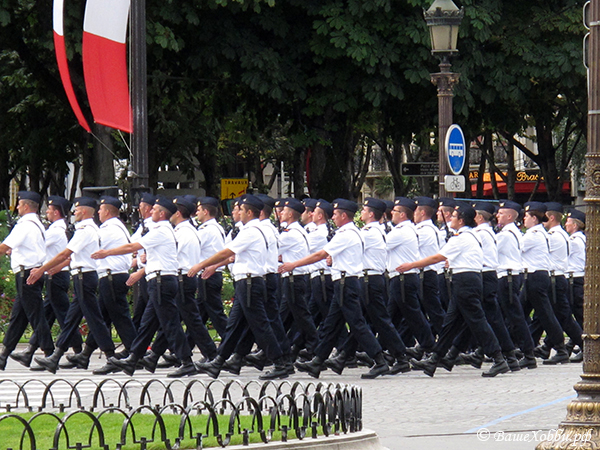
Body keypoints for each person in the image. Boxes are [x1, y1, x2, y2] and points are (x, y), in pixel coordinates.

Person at [279, 199, 390, 379]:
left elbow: (321, 254)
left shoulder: (346, 233)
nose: (334, 218)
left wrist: (295, 264)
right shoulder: (351, 232)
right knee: (331, 324)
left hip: (347, 283)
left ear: (344, 216)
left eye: (336, 215)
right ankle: (317, 362)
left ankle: (380, 361)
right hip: (343, 282)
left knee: (357, 323)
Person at [91, 196, 197, 378]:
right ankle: (135, 359)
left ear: (162, 213)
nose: (151, 212)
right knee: (147, 324)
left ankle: (186, 361)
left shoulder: (161, 230)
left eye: (155, 209)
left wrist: (107, 252)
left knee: (170, 323)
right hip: (159, 281)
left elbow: (134, 246)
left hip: (162, 280)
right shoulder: (162, 229)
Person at [400, 204, 509, 378]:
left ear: (461, 220)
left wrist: (411, 265)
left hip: (465, 281)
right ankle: (435, 359)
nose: (450, 219)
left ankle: (498, 358)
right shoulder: (470, 236)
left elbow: (438, 257)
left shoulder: (461, 237)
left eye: (454, 216)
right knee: (450, 324)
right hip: (465, 280)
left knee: (477, 321)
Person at [189, 195, 289, 380]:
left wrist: (200, 265)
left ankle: (279, 362)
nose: (237, 212)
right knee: (235, 325)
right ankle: (220, 361)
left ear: (249, 212)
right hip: (248, 282)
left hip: (250, 282)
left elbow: (227, 252)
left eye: (241, 210)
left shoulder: (250, 231)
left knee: (260, 325)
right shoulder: (253, 230)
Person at [28, 197, 116, 373]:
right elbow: (70, 257)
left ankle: (111, 356)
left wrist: (41, 269)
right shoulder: (88, 229)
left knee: (95, 319)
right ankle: (57, 356)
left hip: (85, 276)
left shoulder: (85, 229)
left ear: (83, 211)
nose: (74, 213)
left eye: (76, 211)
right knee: (70, 320)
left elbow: (65, 254)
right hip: (81, 276)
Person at [325, 197, 410, 375]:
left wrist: (333, 256)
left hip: (369, 280)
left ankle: (400, 357)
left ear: (371, 214)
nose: (361, 213)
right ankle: (343, 356)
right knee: (361, 321)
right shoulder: (372, 231)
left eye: (364, 210)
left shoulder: (368, 232)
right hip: (368, 279)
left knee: (377, 320)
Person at [139, 196, 218, 372]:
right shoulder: (183, 231)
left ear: (179, 213)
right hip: (181, 278)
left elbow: (172, 255)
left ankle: (211, 354)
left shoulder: (184, 233)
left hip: (183, 277)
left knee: (187, 319)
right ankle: (154, 355)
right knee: (170, 318)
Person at [10, 195, 82, 369]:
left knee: (65, 316)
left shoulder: (56, 231)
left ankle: (79, 352)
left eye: (49, 210)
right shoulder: (56, 228)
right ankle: (32, 351)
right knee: (45, 315)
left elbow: (38, 245)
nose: (47, 213)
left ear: (56, 212)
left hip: (56, 275)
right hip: (53, 274)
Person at [74, 196, 138, 374]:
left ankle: (135, 354)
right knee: (102, 317)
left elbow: (91, 249)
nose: (98, 213)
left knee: (120, 317)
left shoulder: (109, 229)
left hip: (111, 277)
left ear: (108, 212)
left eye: (101, 210)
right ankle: (86, 354)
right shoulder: (118, 228)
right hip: (111, 276)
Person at [0, 191, 54, 370]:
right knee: (18, 317)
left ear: (26, 206)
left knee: (36, 316)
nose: (17, 208)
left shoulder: (25, 225)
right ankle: (4, 355)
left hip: (27, 274)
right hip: (30, 272)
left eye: (19, 204)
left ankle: (49, 354)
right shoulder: (36, 224)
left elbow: (5, 246)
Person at [519, 202, 569, 364]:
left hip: (536, 277)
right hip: (534, 277)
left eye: (526, 216)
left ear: (534, 218)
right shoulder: (540, 233)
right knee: (519, 312)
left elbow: (517, 248)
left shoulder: (533, 234)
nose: (524, 220)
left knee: (545, 314)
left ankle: (560, 348)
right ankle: (521, 347)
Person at [387, 197, 436, 359]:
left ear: (402, 215)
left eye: (395, 211)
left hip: (403, 278)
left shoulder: (401, 231)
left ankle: (429, 345)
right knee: (390, 315)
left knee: (413, 315)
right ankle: (389, 349)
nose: (392, 213)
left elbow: (380, 247)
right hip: (401, 277)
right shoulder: (406, 229)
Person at [494, 200, 537, 369]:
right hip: (510, 276)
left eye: (501, 213)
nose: (498, 215)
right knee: (510, 316)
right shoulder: (513, 232)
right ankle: (517, 351)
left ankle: (528, 353)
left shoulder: (505, 234)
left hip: (508, 277)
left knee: (515, 316)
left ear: (510, 216)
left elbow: (490, 251)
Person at [278, 198, 319, 358]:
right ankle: (286, 349)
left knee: (302, 316)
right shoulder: (296, 231)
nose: (281, 213)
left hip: (294, 278)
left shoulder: (290, 234)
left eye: (284, 211)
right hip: (294, 277)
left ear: (290, 215)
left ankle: (314, 348)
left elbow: (271, 248)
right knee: (289, 316)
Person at [195, 197, 229, 339]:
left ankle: (231, 344)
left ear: (206, 211)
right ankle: (186, 347)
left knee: (216, 315)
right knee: (198, 316)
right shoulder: (215, 228)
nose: (197, 213)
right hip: (209, 274)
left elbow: (194, 249)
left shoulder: (208, 230)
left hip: (209, 274)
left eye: (199, 210)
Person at [413, 196, 446, 334]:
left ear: (422, 212)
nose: (413, 215)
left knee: (434, 312)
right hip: (426, 274)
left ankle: (449, 342)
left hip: (425, 274)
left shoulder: (424, 231)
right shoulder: (430, 229)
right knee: (419, 312)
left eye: (415, 211)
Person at [565, 208, 586, 362]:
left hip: (575, 279)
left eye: (568, 222)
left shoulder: (573, 241)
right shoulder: (582, 239)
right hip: (579, 278)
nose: (566, 225)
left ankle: (585, 346)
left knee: (577, 313)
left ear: (575, 225)